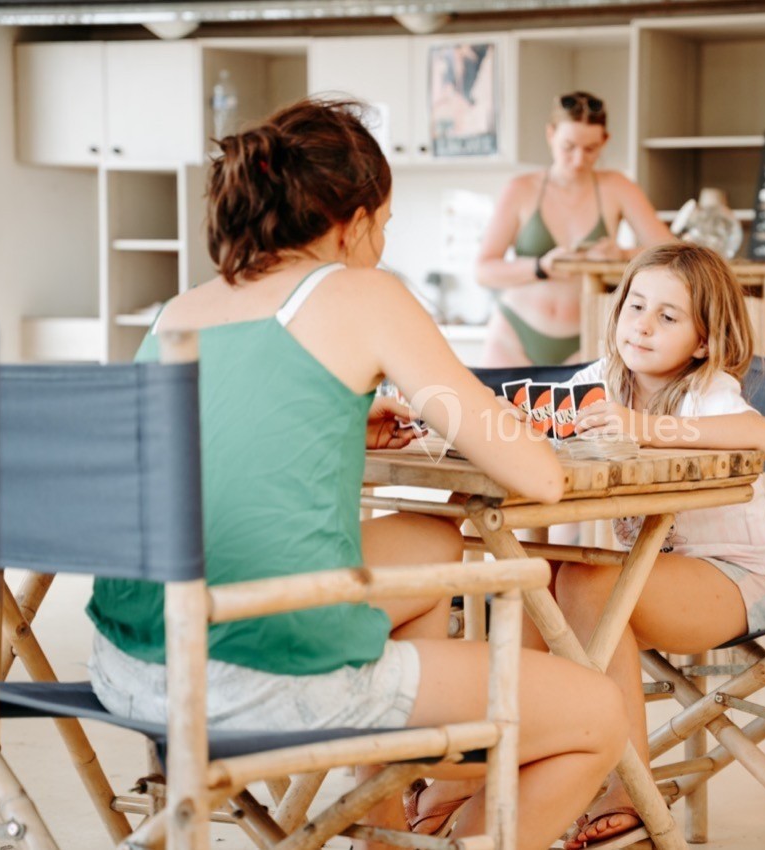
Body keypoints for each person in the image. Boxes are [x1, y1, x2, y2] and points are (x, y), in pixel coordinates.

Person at [84, 97, 627, 850]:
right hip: (258, 678)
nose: (386, 238)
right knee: (599, 716)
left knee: (433, 543)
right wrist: (446, 411)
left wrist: (349, 410)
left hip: (135, 663)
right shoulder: (361, 292)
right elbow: (536, 474)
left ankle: (380, 823)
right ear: (355, 220)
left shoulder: (181, 308)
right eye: (387, 222)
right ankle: (438, 826)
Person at [560, 242, 765, 848]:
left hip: (736, 581)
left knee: (584, 583)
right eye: (636, 305)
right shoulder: (600, 381)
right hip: (649, 579)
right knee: (530, 588)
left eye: (668, 317)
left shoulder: (706, 387)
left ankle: (628, 790)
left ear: (703, 341)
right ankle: (490, 777)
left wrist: (647, 429)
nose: (641, 324)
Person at [475, 91, 672, 367]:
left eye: (590, 149)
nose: (579, 159)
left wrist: (622, 253)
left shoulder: (617, 186)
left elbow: (671, 252)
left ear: (605, 141)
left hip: (586, 339)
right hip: (514, 335)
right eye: (568, 147)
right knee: (495, 411)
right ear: (550, 134)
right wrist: (540, 267)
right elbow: (484, 270)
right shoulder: (520, 189)